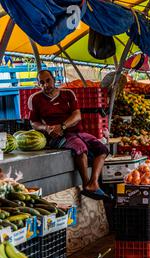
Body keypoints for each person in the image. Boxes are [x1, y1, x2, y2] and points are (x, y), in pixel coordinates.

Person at [29, 70, 110, 201]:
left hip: (77, 131)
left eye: (48, 80)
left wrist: (63, 126)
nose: (45, 85)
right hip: (56, 137)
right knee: (80, 148)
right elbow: (33, 123)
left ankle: (93, 183)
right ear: (39, 84)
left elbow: (77, 115)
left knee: (101, 148)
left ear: (54, 80)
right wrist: (47, 128)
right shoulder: (36, 99)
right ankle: (86, 184)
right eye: (42, 82)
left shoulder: (67, 94)